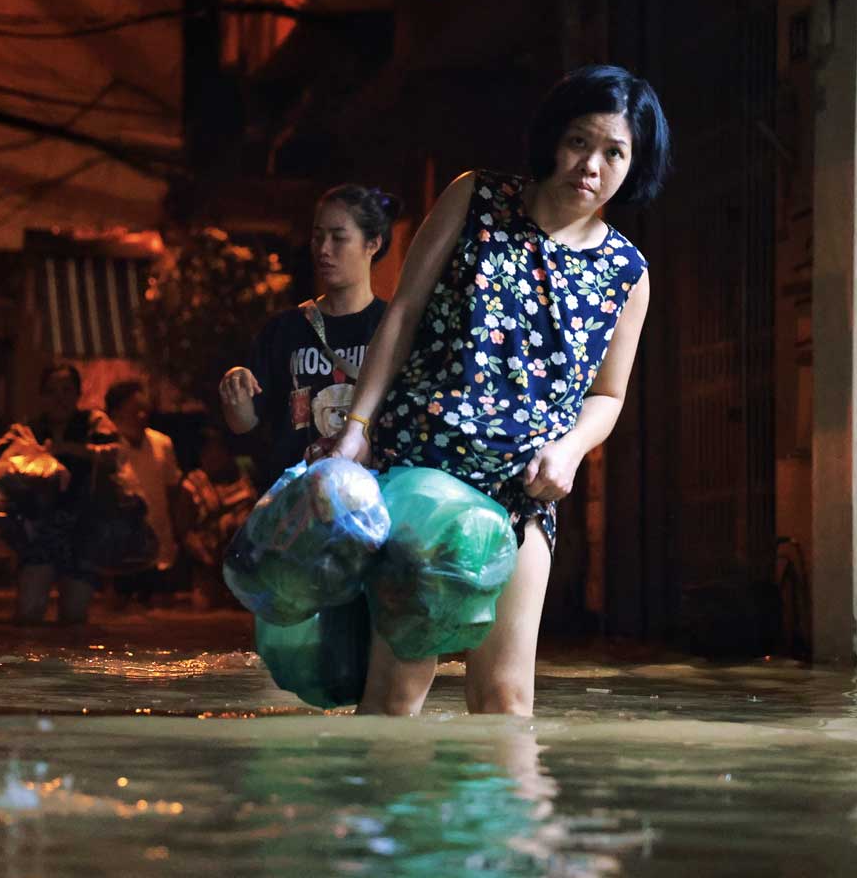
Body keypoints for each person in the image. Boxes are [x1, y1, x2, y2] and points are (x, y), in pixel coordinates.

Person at [330, 65, 666, 717]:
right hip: (423, 468)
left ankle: (507, 824)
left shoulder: (628, 273)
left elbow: (609, 396)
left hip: (522, 490)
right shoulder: (475, 198)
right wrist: (358, 427)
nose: (591, 165)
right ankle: (376, 818)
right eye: (579, 141)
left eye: (614, 151)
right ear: (551, 139)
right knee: (402, 685)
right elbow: (402, 312)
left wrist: (569, 452)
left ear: (636, 163)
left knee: (506, 697)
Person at [219, 185, 403, 487]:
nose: (323, 249)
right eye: (318, 236)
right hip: (296, 505)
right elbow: (244, 424)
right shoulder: (284, 329)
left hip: (375, 502)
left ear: (373, 243)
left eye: (338, 237)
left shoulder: (393, 327)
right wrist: (234, 389)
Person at [0, 363, 118, 625]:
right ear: (42, 395)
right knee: (29, 611)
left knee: (75, 614)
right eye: (52, 391)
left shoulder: (94, 424)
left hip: (82, 530)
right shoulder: (28, 430)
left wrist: (65, 450)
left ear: (78, 394)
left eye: (66, 390)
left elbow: (114, 456)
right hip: (37, 530)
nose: (60, 398)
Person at [105, 380, 181, 606]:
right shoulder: (108, 447)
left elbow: (172, 491)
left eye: (144, 410)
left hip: (160, 549)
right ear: (117, 412)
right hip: (119, 551)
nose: (141, 416)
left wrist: (178, 537)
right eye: (134, 410)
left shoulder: (162, 444)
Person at [176, 422, 258, 609]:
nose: (214, 457)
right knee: (205, 607)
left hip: (245, 563)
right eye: (208, 452)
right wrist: (208, 562)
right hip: (209, 563)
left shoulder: (245, 477)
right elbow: (185, 532)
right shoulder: (192, 485)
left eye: (218, 451)